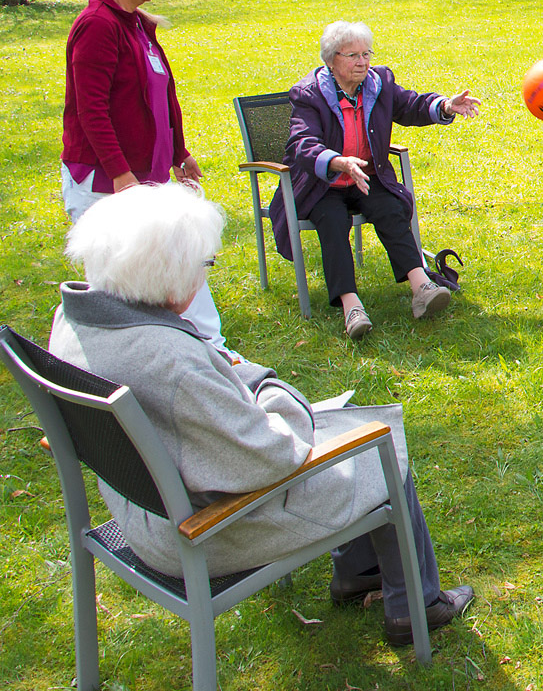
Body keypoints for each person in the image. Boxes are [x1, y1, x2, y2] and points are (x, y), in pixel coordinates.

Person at [49, 183, 474, 645]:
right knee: (381, 443)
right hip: (195, 531)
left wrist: (229, 378)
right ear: (169, 275)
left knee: (350, 424)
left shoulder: (76, 318)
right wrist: (272, 390)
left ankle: (358, 572)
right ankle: (416, 607)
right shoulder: (172, 363)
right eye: (204, 266)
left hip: (140, 507)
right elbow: (273, 458)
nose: (203, 277)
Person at [60, 0, 231, 351]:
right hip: (106, 182)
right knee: (118, 283)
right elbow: (90, 110)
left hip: (147, 177)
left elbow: (160, 95)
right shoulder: (98, 26)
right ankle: (113, 360)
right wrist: (120, 175)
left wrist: (179, 152)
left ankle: (212, 348)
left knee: (178, 262)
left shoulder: (137, 25)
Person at [273, 21, 480, 338]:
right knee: (332, 221)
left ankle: (421, 287)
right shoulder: (310, 94)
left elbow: (410, 105)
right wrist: (337, 161)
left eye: (366, 53)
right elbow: (302, 144)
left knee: (389, 208)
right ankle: (351, 306)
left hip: (366, 178)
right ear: (331, 60)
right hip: (323, 185)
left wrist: (446, 105)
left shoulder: (378, 82)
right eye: (352, 55)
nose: (362, 62)